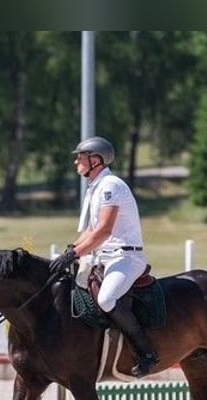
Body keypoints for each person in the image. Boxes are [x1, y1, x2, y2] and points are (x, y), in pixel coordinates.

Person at [49, 135, 159, 378]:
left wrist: (75, 253)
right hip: (104, 256)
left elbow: (104, 231)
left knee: (107, 298)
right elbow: (90, 231)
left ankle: (146, 352)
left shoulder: (111, 186)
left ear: (96, 160)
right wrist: (70, 252)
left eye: (81, 157)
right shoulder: (95, 188)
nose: (77, 161)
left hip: (126, 257)